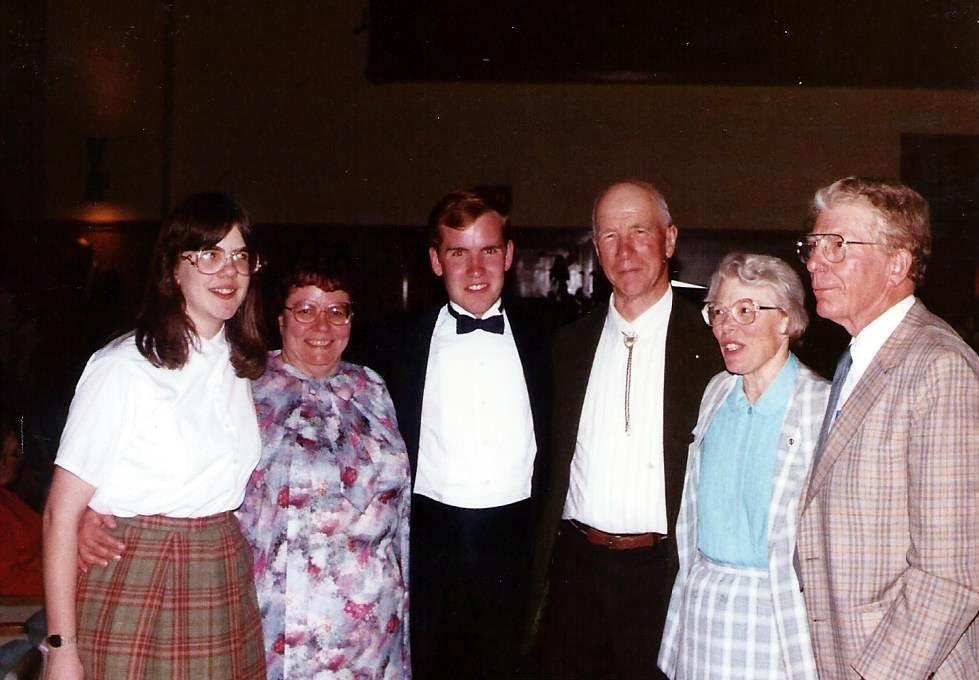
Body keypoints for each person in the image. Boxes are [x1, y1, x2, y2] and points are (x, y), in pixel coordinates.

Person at [43, 192, 267, 679]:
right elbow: (61, 513)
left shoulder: (238, 364)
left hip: (220, 570)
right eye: (208, 255)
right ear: (174, 270)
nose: (228, 271)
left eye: (239, 256)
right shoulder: (124, 368)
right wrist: (61, 649)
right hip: (139, 576)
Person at [530, 180, 723, 679]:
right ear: (595, 249)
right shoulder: (567, 344)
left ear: (670, 240)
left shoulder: (713, 343)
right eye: (610, 236)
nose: (626, 249)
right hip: (576, 572)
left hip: (663, 574)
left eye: (640, 231)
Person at [796, 176, 979, 679]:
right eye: (813, 245)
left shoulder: (938, 368)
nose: (814, 262)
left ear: (897, 263)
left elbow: (951, 577)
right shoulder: (857, 359)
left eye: (837, 245)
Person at [379, 190, 550, 679]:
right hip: (431, 548)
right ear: (435, 261)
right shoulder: (393, 345)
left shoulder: (551, 338)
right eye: (459, 252)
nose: (476, 269)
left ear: (509, 256)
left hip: (518, 550)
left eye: (489, 251)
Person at [236, 253, 412, 679]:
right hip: (283, 628)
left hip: (373, 631)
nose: (322, 326)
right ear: (280, 318)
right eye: (305, 310)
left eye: (337, 311)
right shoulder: (246, 388)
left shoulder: (372, 387)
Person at [658, 253, 827, 680]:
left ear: (787, 320)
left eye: (746, 311)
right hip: (702, 607)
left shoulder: (820, 407)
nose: (726, 326)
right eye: (718, 312)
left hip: (775, 616)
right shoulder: (716, 393)